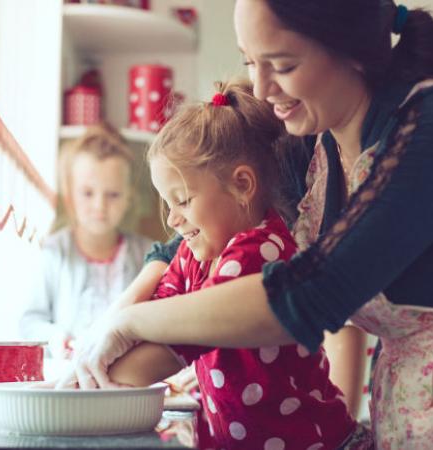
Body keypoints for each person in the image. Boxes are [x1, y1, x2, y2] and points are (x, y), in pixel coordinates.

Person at [66, 1, 433, 448]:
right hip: (423, 406)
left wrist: (130, 323)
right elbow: (186, 236)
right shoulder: (314, 139)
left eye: (282, 65)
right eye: (250, 62)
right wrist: (116, 317)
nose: (263, 89)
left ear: (350, 51)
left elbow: (308, 296)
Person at [94, 80, 368, 449]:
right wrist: (101, 353)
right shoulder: (196, 251)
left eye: (184, 201)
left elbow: (178, 340)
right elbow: (160, 307)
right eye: (168, 204)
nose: (173, 220)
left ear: (242, 185)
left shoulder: (259, 251)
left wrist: (91, 379)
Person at [19, 124, 152, 359]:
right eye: (88, 193)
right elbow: (30, 320)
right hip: (67, 376)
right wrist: (56, 338)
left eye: (113, 195)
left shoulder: (148, 255)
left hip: (128, 377)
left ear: (128, 198)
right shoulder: (53, 251)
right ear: (69, 195)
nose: (99, 206)